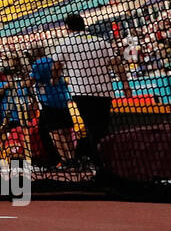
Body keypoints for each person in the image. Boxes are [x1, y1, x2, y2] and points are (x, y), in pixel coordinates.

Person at [52, 14, 131, 169]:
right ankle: (109, 163)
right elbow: (116, 64)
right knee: (102, 128)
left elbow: (56, 66)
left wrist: (53, 79)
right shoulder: (100, 41)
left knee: (92, 129)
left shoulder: (65, 43)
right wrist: (125, 86)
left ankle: (101, 166)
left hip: (82, 93)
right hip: (104, 92)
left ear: (68, 28)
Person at [28, 47, 73, 165]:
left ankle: (64, 160)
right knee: (66, 130)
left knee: (55, 132)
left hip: (48, 101)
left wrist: (23, 83)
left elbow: (31, 81)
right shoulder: (53, 60)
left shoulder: (37, 64)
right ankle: (73, 158)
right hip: (62, 99)